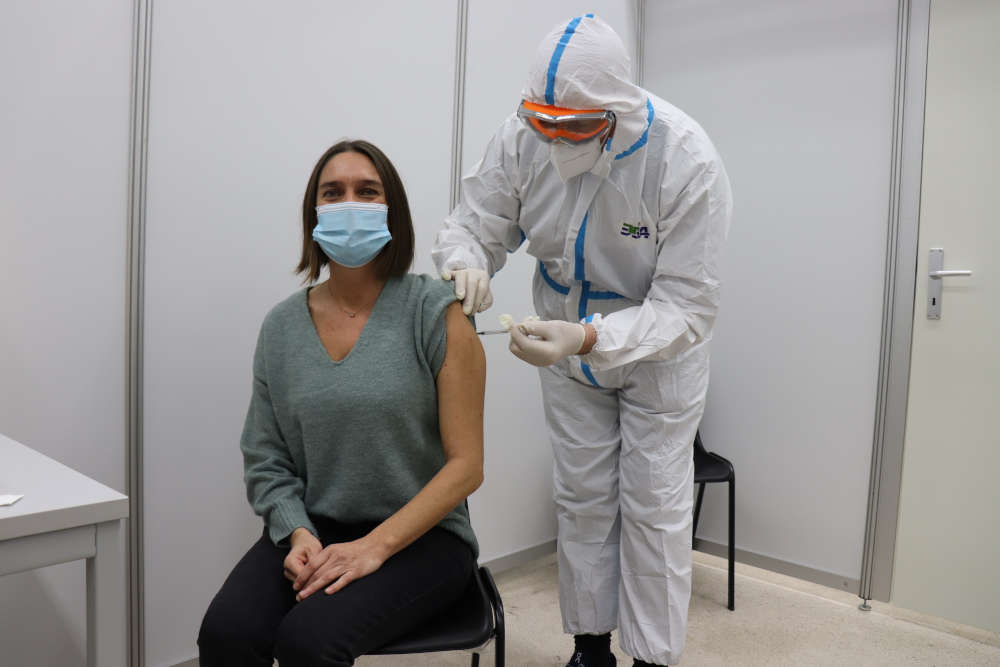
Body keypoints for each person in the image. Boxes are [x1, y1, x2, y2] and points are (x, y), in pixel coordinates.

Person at [432, 15, 732, 667]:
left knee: (654, 507)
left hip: (659, 357)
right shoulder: (524, 138)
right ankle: (590, 646)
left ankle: (653, 657)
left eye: (572, 126)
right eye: (546, 123)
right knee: (583, 497)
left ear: (615, 110)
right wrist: (467, 262)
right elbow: (474, 222)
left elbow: (688, 306)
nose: (555, 139)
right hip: (565, 353)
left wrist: (590, 335)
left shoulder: (685, 160)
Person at [198, 139, 486, 666]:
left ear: (391, 209)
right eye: (333, 193)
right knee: (225, 635)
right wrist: (297, 532)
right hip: (317, 527)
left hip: (423, 538)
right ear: (313, 213)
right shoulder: (281, 327)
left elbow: (466, 467)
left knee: (309, 643)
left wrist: (375, 546)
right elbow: (266, 459)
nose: (349, 203)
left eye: (366, 191)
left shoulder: (436, 312)